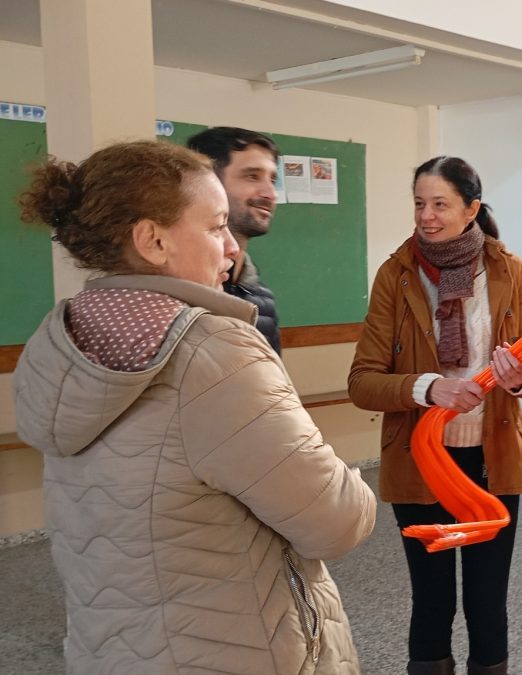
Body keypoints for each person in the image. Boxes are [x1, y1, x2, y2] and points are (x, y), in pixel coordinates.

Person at [14, 140, 377, 674]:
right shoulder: (214, 353)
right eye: (215, 227)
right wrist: (338, 471)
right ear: (153, 240)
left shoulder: (61, 342)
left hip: (114, 649)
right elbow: (336, 522)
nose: (231, 247)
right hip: (235, 650)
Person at [348, 156, 522, 675]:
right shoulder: (395, 275)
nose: (426, 216)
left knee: (488, 599)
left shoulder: (509, 271)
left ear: (471, 209)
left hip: (492, 459)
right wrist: (430, 388)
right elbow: (363, 382)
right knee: (432, 599)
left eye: (440, 204)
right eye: (419, 203)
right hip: (420, 461)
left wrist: (520, 379)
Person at [187, 126, 282, 353]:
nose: (270, 194)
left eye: (272, 179)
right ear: (210, 183)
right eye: (252, 176)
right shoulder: (181, 294)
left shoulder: (262, 297)